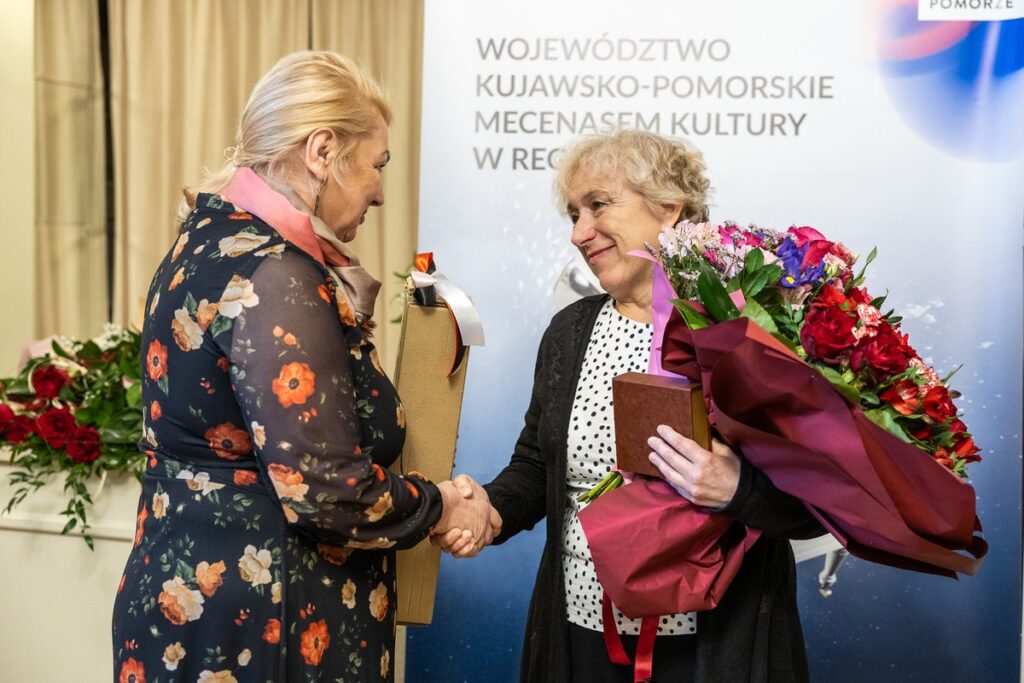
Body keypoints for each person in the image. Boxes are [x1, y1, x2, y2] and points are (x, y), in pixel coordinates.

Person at [111, 51, 498, 683]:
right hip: (270, 622)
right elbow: (325, 489)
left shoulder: (205, 238)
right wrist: (443, 507)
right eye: (376, 165)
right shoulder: (278, 274)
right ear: (322, 150)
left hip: (187, 602)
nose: (378, 190)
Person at [434, 130, 825, 682]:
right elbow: (538, 467)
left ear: (670, 209)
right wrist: (489, 511)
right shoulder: (570, 332)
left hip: (712, 653)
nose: (578, 233)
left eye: (598, 205)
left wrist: (736, 488)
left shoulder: (747, 331)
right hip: (580, 638)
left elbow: (817, 507)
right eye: (572, 214)